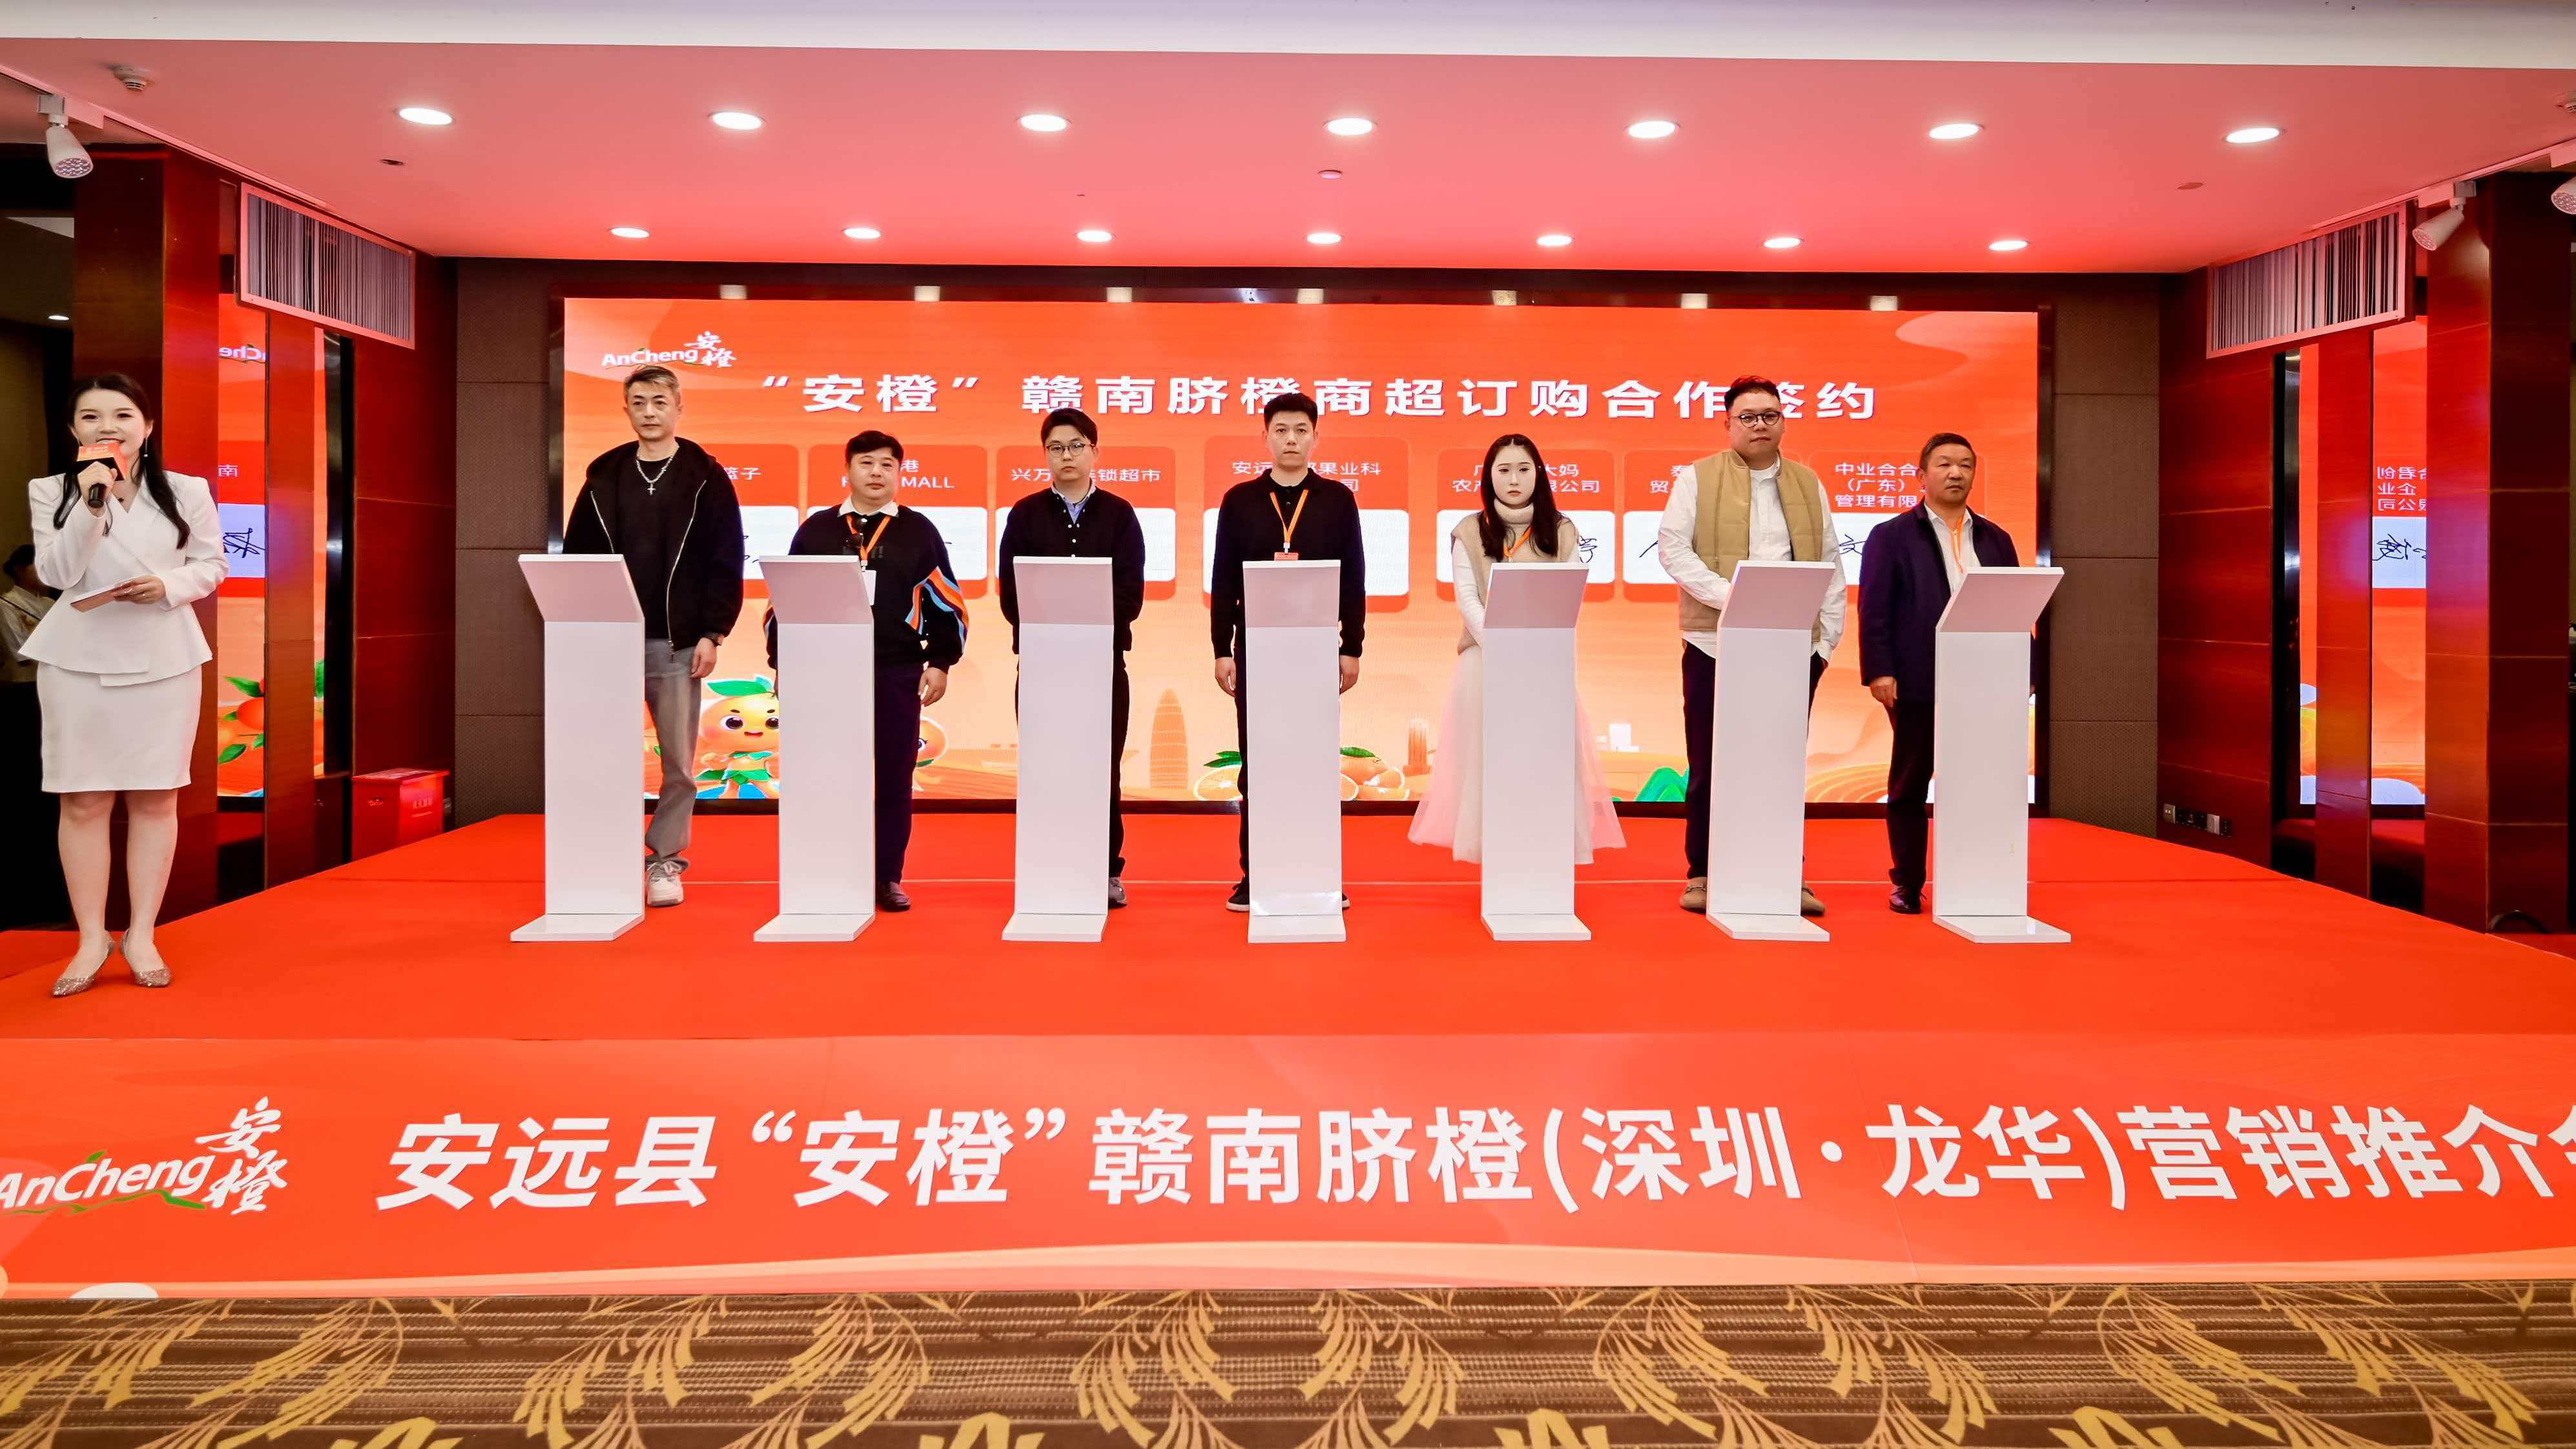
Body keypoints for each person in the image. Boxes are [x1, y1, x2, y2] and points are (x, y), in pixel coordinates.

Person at [19, 375, 226, 994]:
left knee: (156, 799)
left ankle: (141, 934)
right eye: (90, 417)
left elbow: (212, 563)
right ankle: (91, 938)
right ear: (73, 430)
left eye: (122, 414)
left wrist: (168, 586)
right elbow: (57, 574)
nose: (107, 426)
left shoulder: (186, 490)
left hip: (165, 655)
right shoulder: (52, 490)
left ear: (147, 426)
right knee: (82, 801)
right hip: (77, 660)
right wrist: (92, 503)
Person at [1656, 374, 1846, 916]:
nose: (1759, 425)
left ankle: (1784, 872)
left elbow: (1830, 562)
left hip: (1792, 646)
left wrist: (1826, 642)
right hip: (1713, 642)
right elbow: (1672, 549)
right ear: (1727, 424)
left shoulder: (1808, 483)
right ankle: (1702, 872)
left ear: (1783, 421)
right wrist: (1734, 599)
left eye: (1769, 415)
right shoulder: (1697, 478)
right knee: (1709, 762)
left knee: (1781, 764)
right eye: (1747, 416)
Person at [562, 364, 745, 909]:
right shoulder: (605, 475)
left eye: (659, 402)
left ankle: (665, 860)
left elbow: (725, 559)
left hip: (677, 643)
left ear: (678, 408)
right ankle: (605, 858)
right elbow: (578, 557)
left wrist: (713, 631)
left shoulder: (705, 477)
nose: (649, 412)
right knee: (606, 757)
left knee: (678, 766)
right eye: (639, 402)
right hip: (610, 642)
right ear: (626, 410)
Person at [767, 429, 965, 912]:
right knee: (827, 775)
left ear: (899, 472)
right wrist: (783, 662)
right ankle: (831, 872)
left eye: (886, 465)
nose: (876, 473)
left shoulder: (919, 532)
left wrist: (940, 662)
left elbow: (948, 602)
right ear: (848, 470)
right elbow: (784, 604)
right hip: (825, 672)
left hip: (896, 670)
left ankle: (886, 877)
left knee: (894, 778)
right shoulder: (816, 530)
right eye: (866, 463)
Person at [1409, 434, 1624, 862]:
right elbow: (1467, 599)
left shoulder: (1561, 530)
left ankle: (1544, 850)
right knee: (1490, 759)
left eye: (1523, 470)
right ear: (1488, 477)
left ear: (1538, 475)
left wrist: (1531, 651)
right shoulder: (1469, 530)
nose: (1513, 480)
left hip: (1545, 664)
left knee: (1545, 757)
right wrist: (1501, 646)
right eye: (1503, 470)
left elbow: (1569, 595)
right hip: (1486, 661)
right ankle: (1496, 852)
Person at [1207, 390, 1365, 911]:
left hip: (1316, 649)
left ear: (1315, 437)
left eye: (1301, 430)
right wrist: (1222, 648)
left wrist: (1351, 646)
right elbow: (1223, 579)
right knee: (1259, 763)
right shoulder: (1239, 500)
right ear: (1265, 437)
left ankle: (1319, 872)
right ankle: (1255, 875)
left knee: (1313, 763)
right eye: (1281, 430)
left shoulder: (1337, 499)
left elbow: (1353, 577)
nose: (1291, 440)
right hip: (1257, 649)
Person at [1860, 432, 2020, 914]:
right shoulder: (1891, 536)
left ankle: (1975, 877)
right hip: (1917, 679)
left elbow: (2016, 607)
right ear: (1921, 475)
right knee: (1910, 784)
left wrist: (2024, 670)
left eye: (1966, 465)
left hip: (1984, 681)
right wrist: (1880, 670)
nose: (1956, 473)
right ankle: (1907, 883)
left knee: (1978, 782)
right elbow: (1874, 609)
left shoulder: (1995, 539)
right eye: (1945, 464)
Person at [997, 406, 1147, 907]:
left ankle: (1105, 871)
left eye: (1076, 446)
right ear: (1045, 455)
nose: (1067, 455)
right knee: (1045, 768)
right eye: (1056, 447)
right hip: (1042, 664)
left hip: (1102, 664)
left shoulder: (1120, 515)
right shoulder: (1024, 515)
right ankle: (1047, 866)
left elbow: (1130, 594)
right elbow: (1012, 595)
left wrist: (1087, 618)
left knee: (1102, 770)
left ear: (1094, 452)